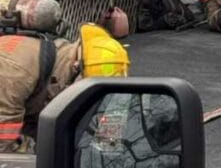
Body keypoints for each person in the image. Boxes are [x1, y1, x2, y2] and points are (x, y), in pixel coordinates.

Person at [0, 22, 129, 152]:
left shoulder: (63, 65)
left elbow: (107, 144)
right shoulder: (15, 73)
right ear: (76, 66)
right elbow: (3, 141)